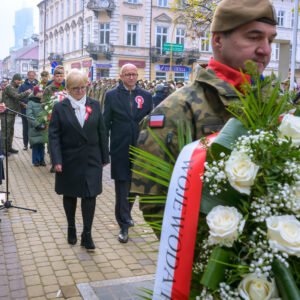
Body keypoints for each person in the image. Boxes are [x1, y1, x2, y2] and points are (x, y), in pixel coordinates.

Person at [130, 0, 277, 236]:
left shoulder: (276, 105)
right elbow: (158, 206)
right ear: (218, 40)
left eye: (270, 39)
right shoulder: (176, 110)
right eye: (253, 37)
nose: (265, 49)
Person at [48, 69, 109, 250]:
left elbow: (102, 132)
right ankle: (71, 227)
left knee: (90, 195)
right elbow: (54, 136)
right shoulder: (60, 107)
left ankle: (87, 234)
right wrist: (56, 160)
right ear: (68, 89)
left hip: (91, 159)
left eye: (83, 87)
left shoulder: (95, 104)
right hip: (69, 159)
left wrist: (105, 156)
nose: (80, 91)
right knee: (70, 194)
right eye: (76, 88)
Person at [103, 63, 153, 243]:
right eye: (127, 74)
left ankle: (127, 215)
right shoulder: (111, 96)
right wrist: (104, 151)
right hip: (120, 149)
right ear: (121, 76)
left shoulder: (146, 96)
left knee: (134, 187)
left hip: (140, 149)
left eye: (134, 74)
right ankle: (123, 223)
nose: (131, 77)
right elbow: (105, 124)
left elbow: (151, 122)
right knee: (122, 187)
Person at [0, 73, 32, 155]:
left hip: (12, 112)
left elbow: (15, 99)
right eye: (19, 80)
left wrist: (22, 104)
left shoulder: (14, 88)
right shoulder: (9, 87)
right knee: (5, 132)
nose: (20, 82)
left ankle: (9, 147)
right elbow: (16, 96)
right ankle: (3, 150)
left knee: (11, 131)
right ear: (14, 80)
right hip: (6, 113)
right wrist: (26, 92)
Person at [43, 66, 66, 172]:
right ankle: (54, 162)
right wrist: (48, 113)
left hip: (65, 117)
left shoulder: (66, 87)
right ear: (54, 77)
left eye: (61, 76)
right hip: (52, 117)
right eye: (57, 76)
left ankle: (63, 161)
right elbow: (44, 103)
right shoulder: (49, 88)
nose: (59, 78)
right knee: (53, 141)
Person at [26, 86, 47, 167]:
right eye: (40, 92)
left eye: (42, 92)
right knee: (35, 144)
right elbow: (29, 115)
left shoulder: (42, 102)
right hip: (34, 128)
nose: (41, 93)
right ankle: (36, 160)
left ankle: (42, 159)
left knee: (42, 144)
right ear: (35, 93)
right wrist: (37, 124)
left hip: (43, 127)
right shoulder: (30, 102)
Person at [18, 70, 39, 150]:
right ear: (27, 76)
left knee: (34, 127)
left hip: (35, 110)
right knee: (26, 128)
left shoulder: (38, 85)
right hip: (25, 110)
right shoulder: (22, 86)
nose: (31, 77)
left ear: (35, 76)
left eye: (33, 75)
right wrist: (24, 104)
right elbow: (19, 97)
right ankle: (25, 144)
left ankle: (33, 144)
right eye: (30, 75)